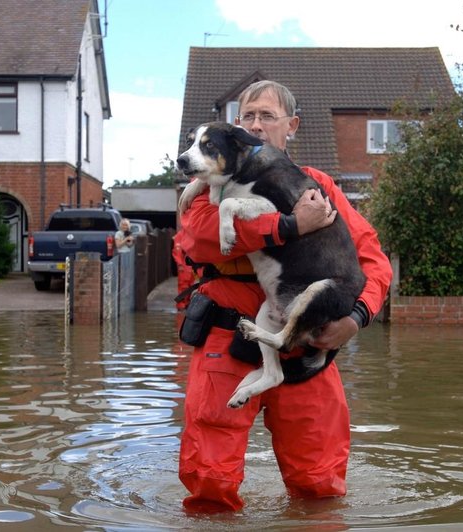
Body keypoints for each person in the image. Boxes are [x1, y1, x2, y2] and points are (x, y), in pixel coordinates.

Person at [177, 80, 392, 512]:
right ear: (235, 128)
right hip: (226, 338)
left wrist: (355, 319)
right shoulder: (209, 184)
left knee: (321, 485)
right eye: (248, 116)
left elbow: (372, 259)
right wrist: (290, 227)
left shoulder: (315, 184)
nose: (256, 125)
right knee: (210, 484)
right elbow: (198, 241)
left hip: (305, 343)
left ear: (291, 126)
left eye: (267, 116)